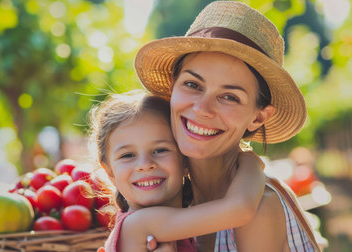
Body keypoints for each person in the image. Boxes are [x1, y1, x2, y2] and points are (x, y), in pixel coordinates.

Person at [134, 1, 323, 251]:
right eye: (192, 85)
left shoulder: (260, 208)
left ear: (257, 118)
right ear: (172, 88)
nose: (202, 108)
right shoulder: (166, 199)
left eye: (230, 97)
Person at [89, 90, 266, 252]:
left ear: (185, 159)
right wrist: (252, 163)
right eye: (127, 155)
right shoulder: (138, 225)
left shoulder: (186, 225)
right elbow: (241, 209)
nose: (145, 164)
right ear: (109, 171)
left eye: (160, 150)